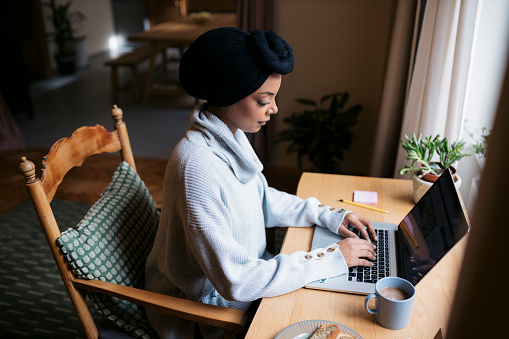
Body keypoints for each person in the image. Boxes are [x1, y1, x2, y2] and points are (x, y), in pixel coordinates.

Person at [144, 27, 377, 339]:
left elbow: (262, 199)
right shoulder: (196, 166)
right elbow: (235, 281)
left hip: (248, 278)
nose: (275, 109)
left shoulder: (229, 133)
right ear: (229, 93)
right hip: (207, 314)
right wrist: (331, 258)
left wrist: (330, 216)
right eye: (264, 99)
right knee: (333, 315)